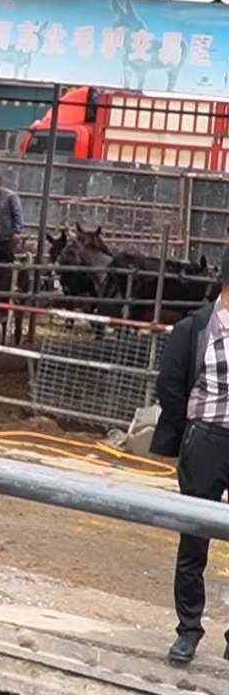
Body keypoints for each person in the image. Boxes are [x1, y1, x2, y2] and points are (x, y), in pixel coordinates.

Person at [150, 255, 229, 665]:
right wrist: (186, 438)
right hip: (206, 440)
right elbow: (171, 387)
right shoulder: (194, 329)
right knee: (194, 540)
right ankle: (188, 630)